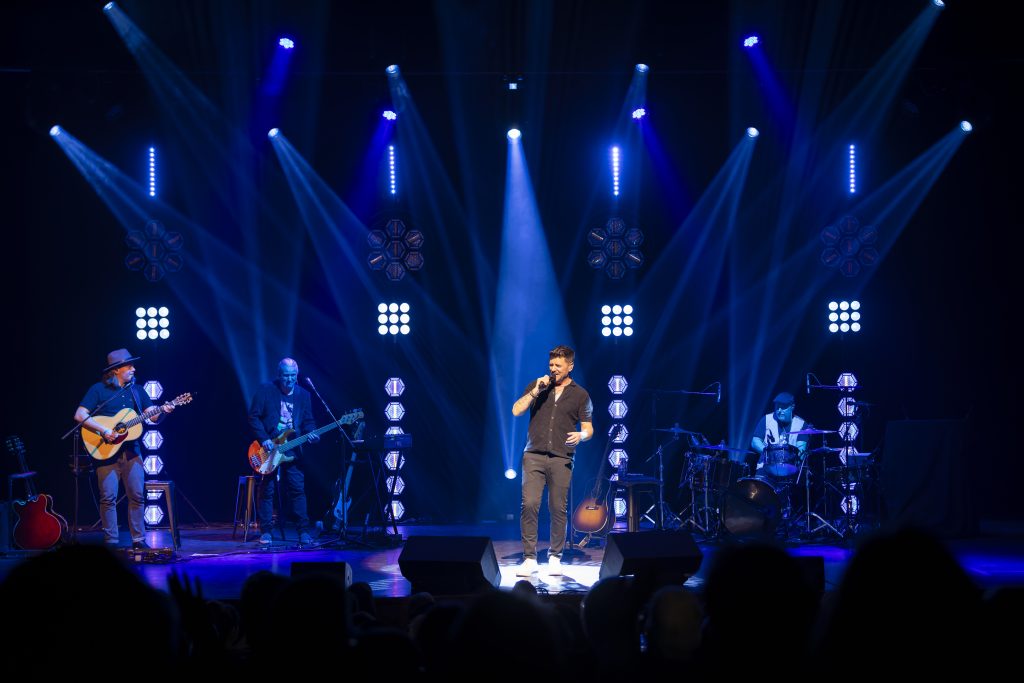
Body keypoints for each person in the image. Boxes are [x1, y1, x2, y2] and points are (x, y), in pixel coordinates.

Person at [75, 348, 175, 549]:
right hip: (105, 453)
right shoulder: (98, 390)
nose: (133, 369)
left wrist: (164, 410)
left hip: (131, 452)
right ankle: (111, 542)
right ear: (116, 369)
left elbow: (152, 416)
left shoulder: (137, 391)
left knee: (137, 496)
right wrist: (104, 430)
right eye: (129, 366)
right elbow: (80, 415)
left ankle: (138, 540)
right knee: (108, 498)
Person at [511, 345, 593, 576]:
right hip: (533, 455)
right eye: (551, 365)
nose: (553, 369)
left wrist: (582, 435)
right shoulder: (538, 387)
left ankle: (555, 556)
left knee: (558, 507)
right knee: (529, 504)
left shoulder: (580, 395)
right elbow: (516, 410)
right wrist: (535, 391)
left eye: (558, 365)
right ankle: (529, 558)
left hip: (561, 458)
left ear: (570, 366)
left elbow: (589, 428)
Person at [248, 357, 319, 545]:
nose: (290, 379)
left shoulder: (304, 395)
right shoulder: (266, 390)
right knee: (267, 490)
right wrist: (264, 440)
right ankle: (266, 532)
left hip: (293, 448)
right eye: (286, 375)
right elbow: (253, 417)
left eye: (293, 376)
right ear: (279, 375)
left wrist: (312, 433)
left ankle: (303, 531)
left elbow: (308, 421)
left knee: (297, 490)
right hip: (269, 448)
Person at [749, 392, 808, 477]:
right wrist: (770, 455)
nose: (779, 410)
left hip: (790, 470)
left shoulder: (801, 424)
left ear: (792, 407)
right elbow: (755, 442)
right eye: (777, 407)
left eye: (783, 407)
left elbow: (801, 451)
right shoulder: (766, 419)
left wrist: (787, 458)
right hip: (765, 468)